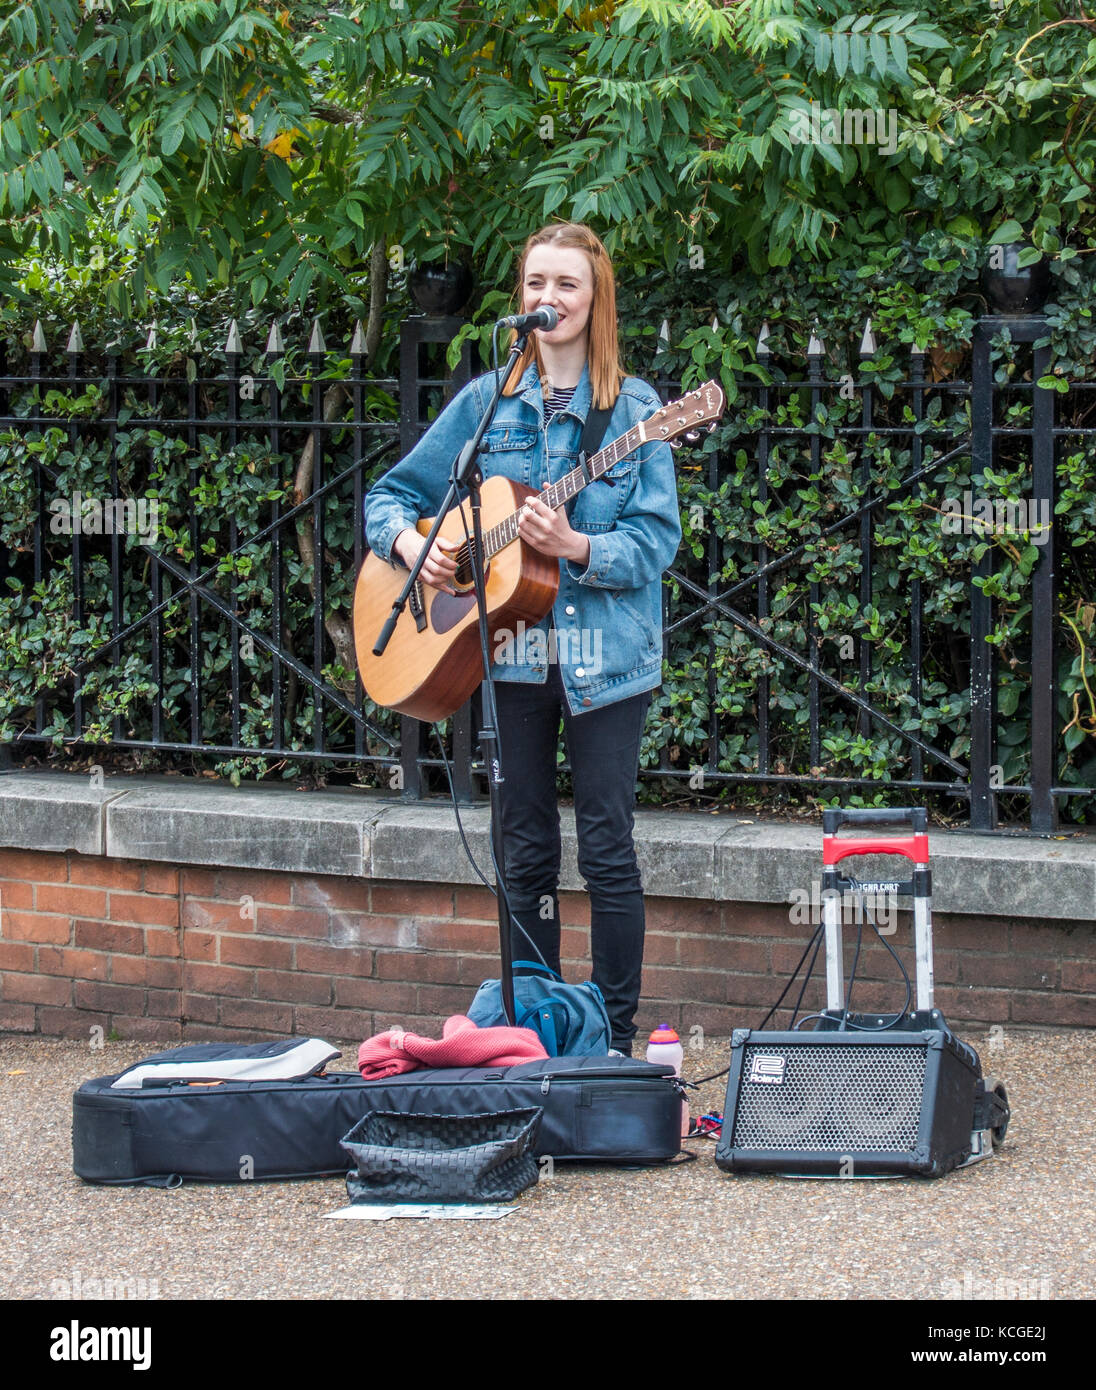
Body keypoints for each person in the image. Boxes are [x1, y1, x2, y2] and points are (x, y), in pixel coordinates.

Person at [363, 222, 681, 1054]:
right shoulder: (486, 405)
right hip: (508, 653)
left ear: (595, 298)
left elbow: (656, 543)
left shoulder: (639, 412)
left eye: (567, 284)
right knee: (525, 846)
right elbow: (389, 498)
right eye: (536, 284)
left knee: (607, 848)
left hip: (606, 661)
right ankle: (533, 1032)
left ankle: (611, 1038)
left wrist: (576, 546)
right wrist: (417, 549)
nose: (549, 298)